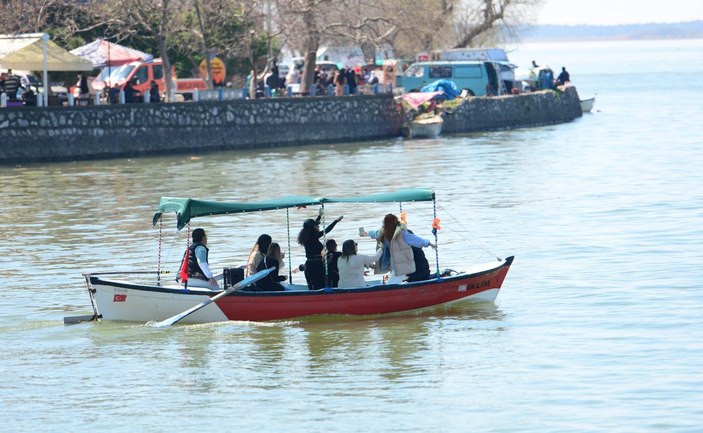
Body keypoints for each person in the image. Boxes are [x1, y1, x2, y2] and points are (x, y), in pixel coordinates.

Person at [363, 213, 436, 284]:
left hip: (403, 265)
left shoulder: (402, 233)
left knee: (390, 284)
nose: (382, 225)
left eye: (383, 223)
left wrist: (428, 243)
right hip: (396, 265)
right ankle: (402, 281)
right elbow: (375, 233)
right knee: (391, 282)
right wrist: (367, 233)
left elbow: (414, 239)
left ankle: (403, 281)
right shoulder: (384, 233)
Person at [297, 210, 343, 290]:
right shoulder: (313, 237)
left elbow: (314, 224)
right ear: (313, 228)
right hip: (316, 264)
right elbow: (327, 230)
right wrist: (336, 221)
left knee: (312, 287)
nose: (318, 227)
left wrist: (319, 216)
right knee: (320, 286)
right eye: (317, 226)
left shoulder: (307, 237)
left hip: (308, 264)